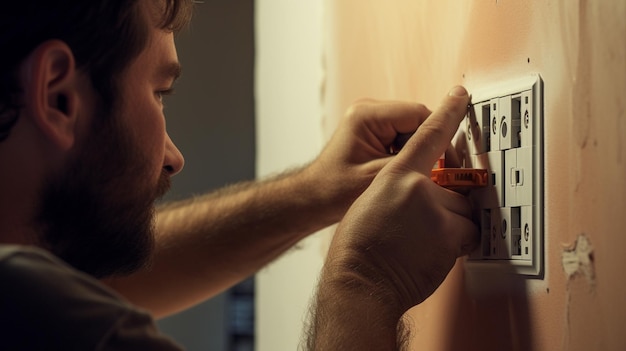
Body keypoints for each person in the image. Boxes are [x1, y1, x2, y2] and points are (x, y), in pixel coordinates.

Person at [0, 0, 477, 349]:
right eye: (158, 92)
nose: (172, 157)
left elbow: (100, 280)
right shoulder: (52, 317)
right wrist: (364, 283)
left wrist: (313, 193)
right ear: (58, 95)